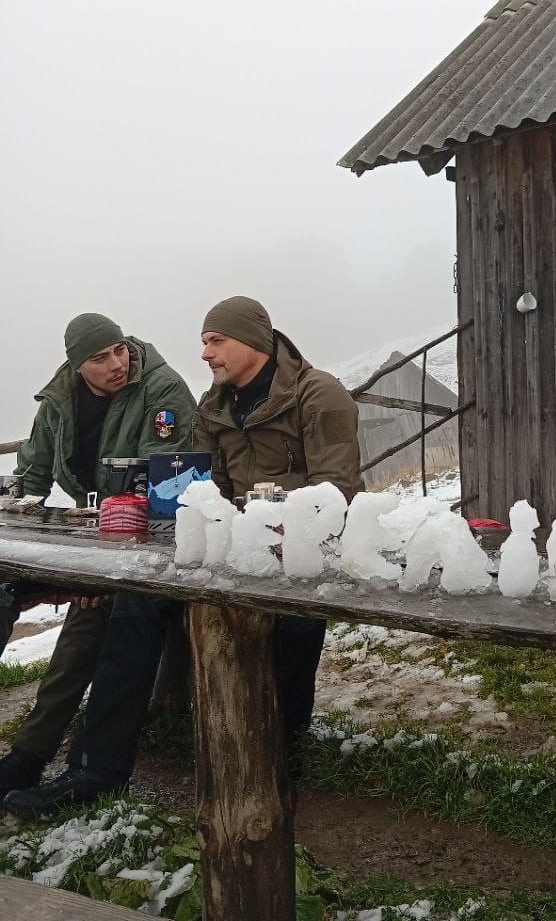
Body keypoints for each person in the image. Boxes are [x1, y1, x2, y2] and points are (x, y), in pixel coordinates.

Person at [4, 297, 361, 814]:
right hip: (225, 550)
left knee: (293, 624)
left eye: (216, 341)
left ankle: (281, 754)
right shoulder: (215, 405)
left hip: (302, 556)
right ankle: (95, 770)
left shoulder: (317, 393)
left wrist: (260, 526)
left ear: (253, 341)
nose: (205, 353)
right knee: (133, 603)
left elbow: (336, 492)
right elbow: (201, 490)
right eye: (204, 342)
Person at [0, 313, 195, 795]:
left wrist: (101, 570)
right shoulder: (59, 400)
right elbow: (31, 477)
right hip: (87, 538)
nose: (116, 363)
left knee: (93, 619)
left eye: (119, 350)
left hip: (144, 543)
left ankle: (38, 757)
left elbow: (163, 485)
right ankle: (30, 758)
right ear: (77, 365)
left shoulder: (162, 390)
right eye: (100, 357)